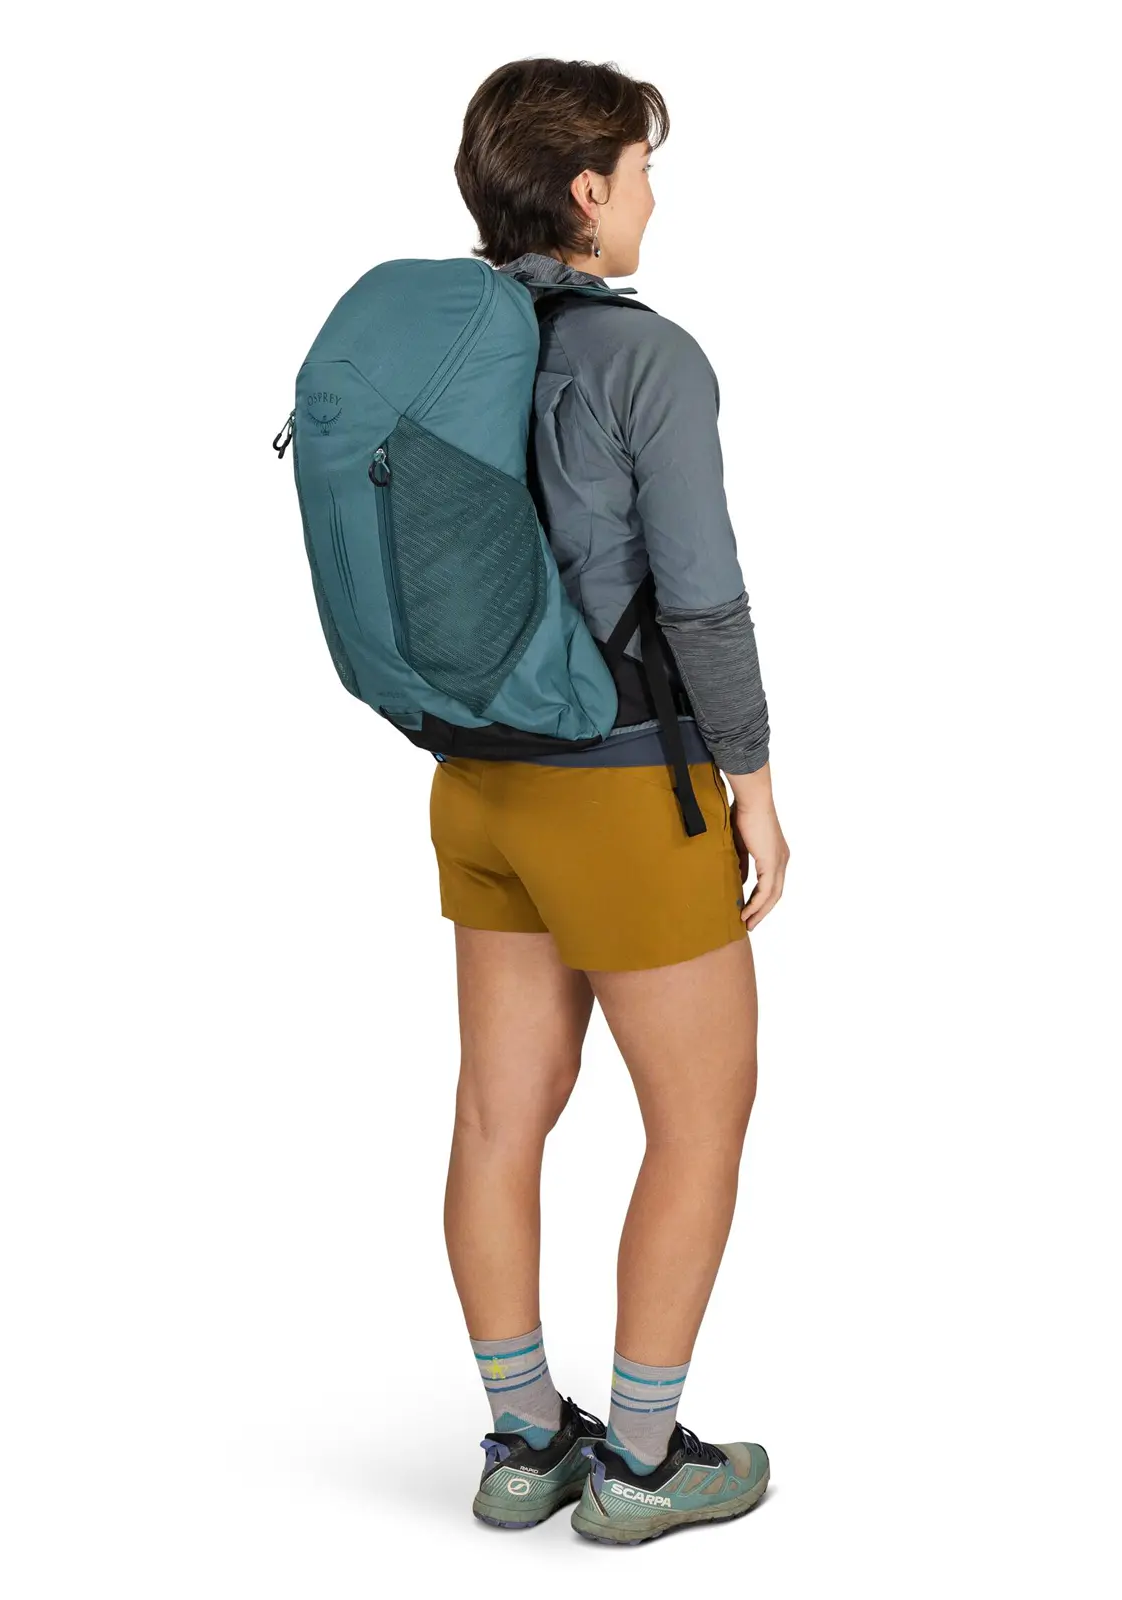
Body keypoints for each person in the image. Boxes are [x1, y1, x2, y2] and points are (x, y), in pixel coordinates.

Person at [433, 57, 790, 1544]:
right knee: (702, 1116)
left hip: (477, 785)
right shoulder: (647, 359)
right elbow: (700, 599)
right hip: (625, 789)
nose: (650, 200)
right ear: (587, 191)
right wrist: (753, 784)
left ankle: (526, 1445)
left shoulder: (445, 346)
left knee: (497, 1115)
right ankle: (641, 1464)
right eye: (641, 174)